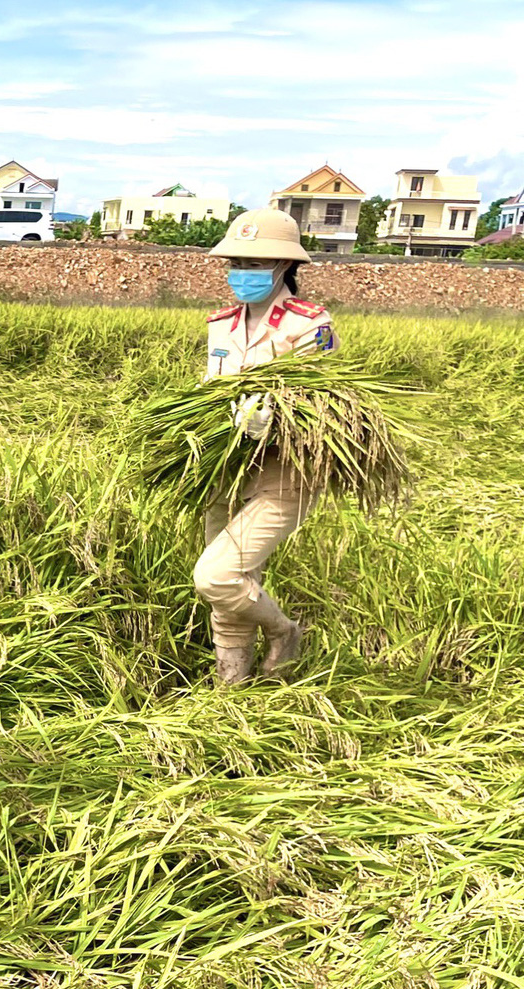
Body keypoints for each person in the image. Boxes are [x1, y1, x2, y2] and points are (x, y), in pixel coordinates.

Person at [195, 207, 338, 685]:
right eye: (237, 262)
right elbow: (209, 390)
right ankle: (230, 690)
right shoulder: (221, 324)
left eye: (256, 265)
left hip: (283, 475)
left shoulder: (308, 323)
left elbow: (323, 407)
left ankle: (285, 632)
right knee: (231, 586)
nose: (243, 273)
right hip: (225, 470)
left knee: (214, 576)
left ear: (284, 267)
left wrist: (273, 417)